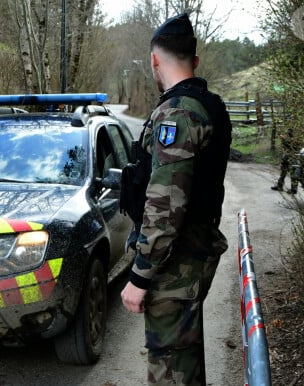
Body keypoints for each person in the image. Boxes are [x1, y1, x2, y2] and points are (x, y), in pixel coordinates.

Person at [120, 13, 231, 385]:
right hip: (189, 255)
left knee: (169, 368)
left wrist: (139, 275)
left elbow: (165, 208)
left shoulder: (177, 114)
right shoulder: (204, 104)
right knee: (183, 358)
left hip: (175, 264)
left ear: (154, 60)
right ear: (195, 61)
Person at [271, 128, 300, 194]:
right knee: (283, 171)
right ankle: (279, 186)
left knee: (293, 173)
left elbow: (292, 145)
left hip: (293, 156)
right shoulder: (290, 138)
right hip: (287, 155)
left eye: (288, 133)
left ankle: (293, 189)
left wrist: (284, 139)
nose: (287, 134)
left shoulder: (295, 138)